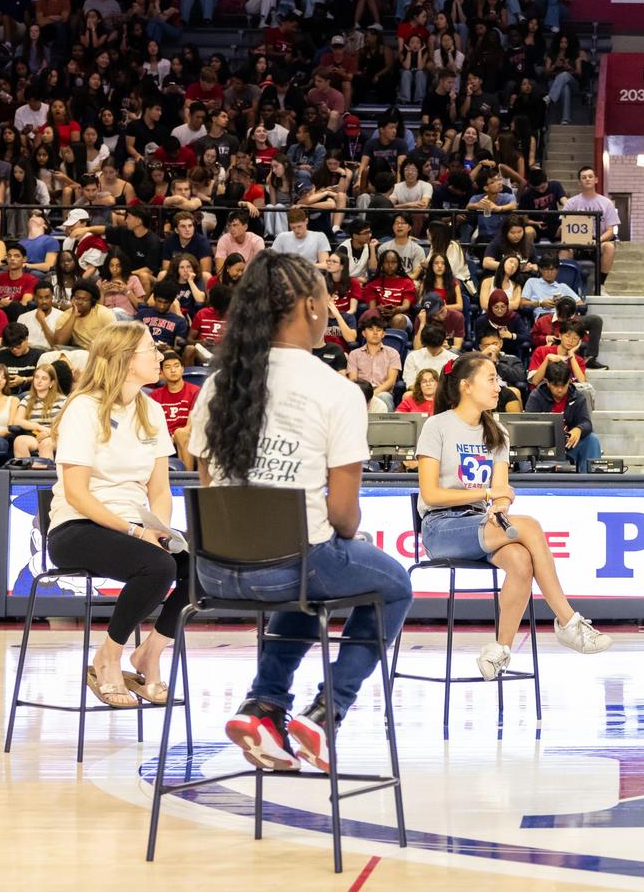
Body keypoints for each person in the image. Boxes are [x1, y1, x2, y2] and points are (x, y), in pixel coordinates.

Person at [185, 253, 414, 774]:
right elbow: (343, 517)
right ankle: (327, 711)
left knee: (305, 576)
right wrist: (344, 538)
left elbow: (206, 485)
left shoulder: (218, 383)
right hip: (291, 567)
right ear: (311, 307)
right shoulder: (336, 389)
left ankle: (265, 706)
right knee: (391, 583)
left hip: (213, 570)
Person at [415, 351, 612, 682]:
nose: (498, 386)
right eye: (491, 379)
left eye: (498, 380)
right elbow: (431, 494)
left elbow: (501, 490)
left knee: (521, 560)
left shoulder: (497, 433)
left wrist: (501, 501)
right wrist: (488, 495)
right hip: (442, 527)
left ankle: (499, 651)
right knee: (531, 527)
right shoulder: (437, 426)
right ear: (466, 386)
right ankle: (567, 621)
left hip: (482, 521)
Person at [45, 322, 186, 712]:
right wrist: (135, 532)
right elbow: (76, 492)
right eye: (151, 351)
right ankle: (108, 656)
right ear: (124, 361)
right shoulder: (83, 408)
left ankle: (149, 654)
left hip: (136, 528)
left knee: (209, 566)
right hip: (78, 528)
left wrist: (157, 528)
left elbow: (160, 489)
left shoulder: (152, 410)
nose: (160, 356)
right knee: (158, 567)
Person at [524, 358, 601, 472]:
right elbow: (528, 425)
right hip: (542, 447)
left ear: (569, 382)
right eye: (555, 386)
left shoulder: (577, 396)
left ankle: (590, 482)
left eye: (563, 385)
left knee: (592, 440)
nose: (560, 390)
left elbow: (586, 423)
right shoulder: (536, 397)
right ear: (547, 382)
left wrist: (578, 429)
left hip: (569, 445)